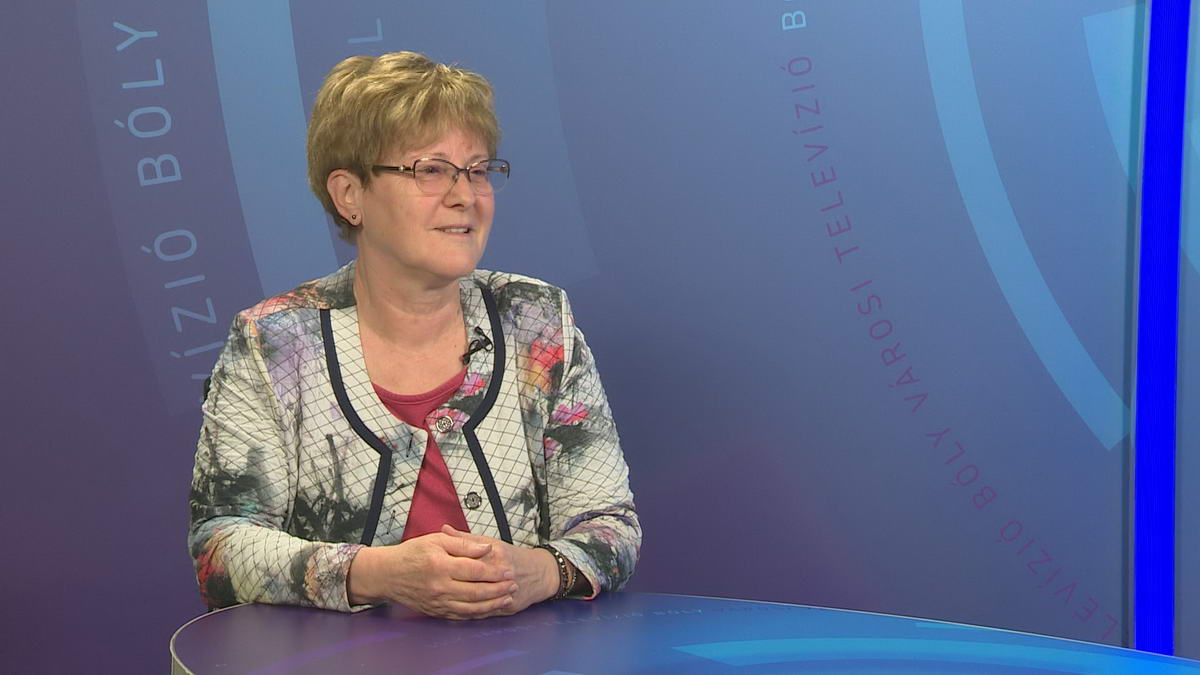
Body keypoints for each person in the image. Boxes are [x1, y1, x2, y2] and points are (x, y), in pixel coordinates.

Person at [188, 51, 640, 619]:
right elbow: (221, 546)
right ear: (349, 195)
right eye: (431, 170)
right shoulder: (275, 340)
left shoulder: (535, 318)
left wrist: (539, 572)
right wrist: (379, 574)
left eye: (478, 170)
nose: (464, 195)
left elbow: (610, 526)